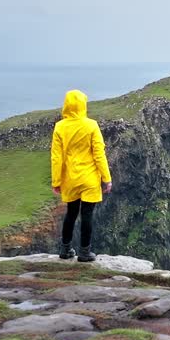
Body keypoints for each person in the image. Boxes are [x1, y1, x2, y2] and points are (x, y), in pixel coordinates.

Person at [51, 89, 112, 262]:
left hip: (70, 178)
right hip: (90, 178)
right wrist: (106, 178)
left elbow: (57, 157)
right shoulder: (91, 125)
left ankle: (65, 249)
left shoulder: (60, 127)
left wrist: (56, 180)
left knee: (71, 213)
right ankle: (84, 252)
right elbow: (99, 154)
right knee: (87, 215)